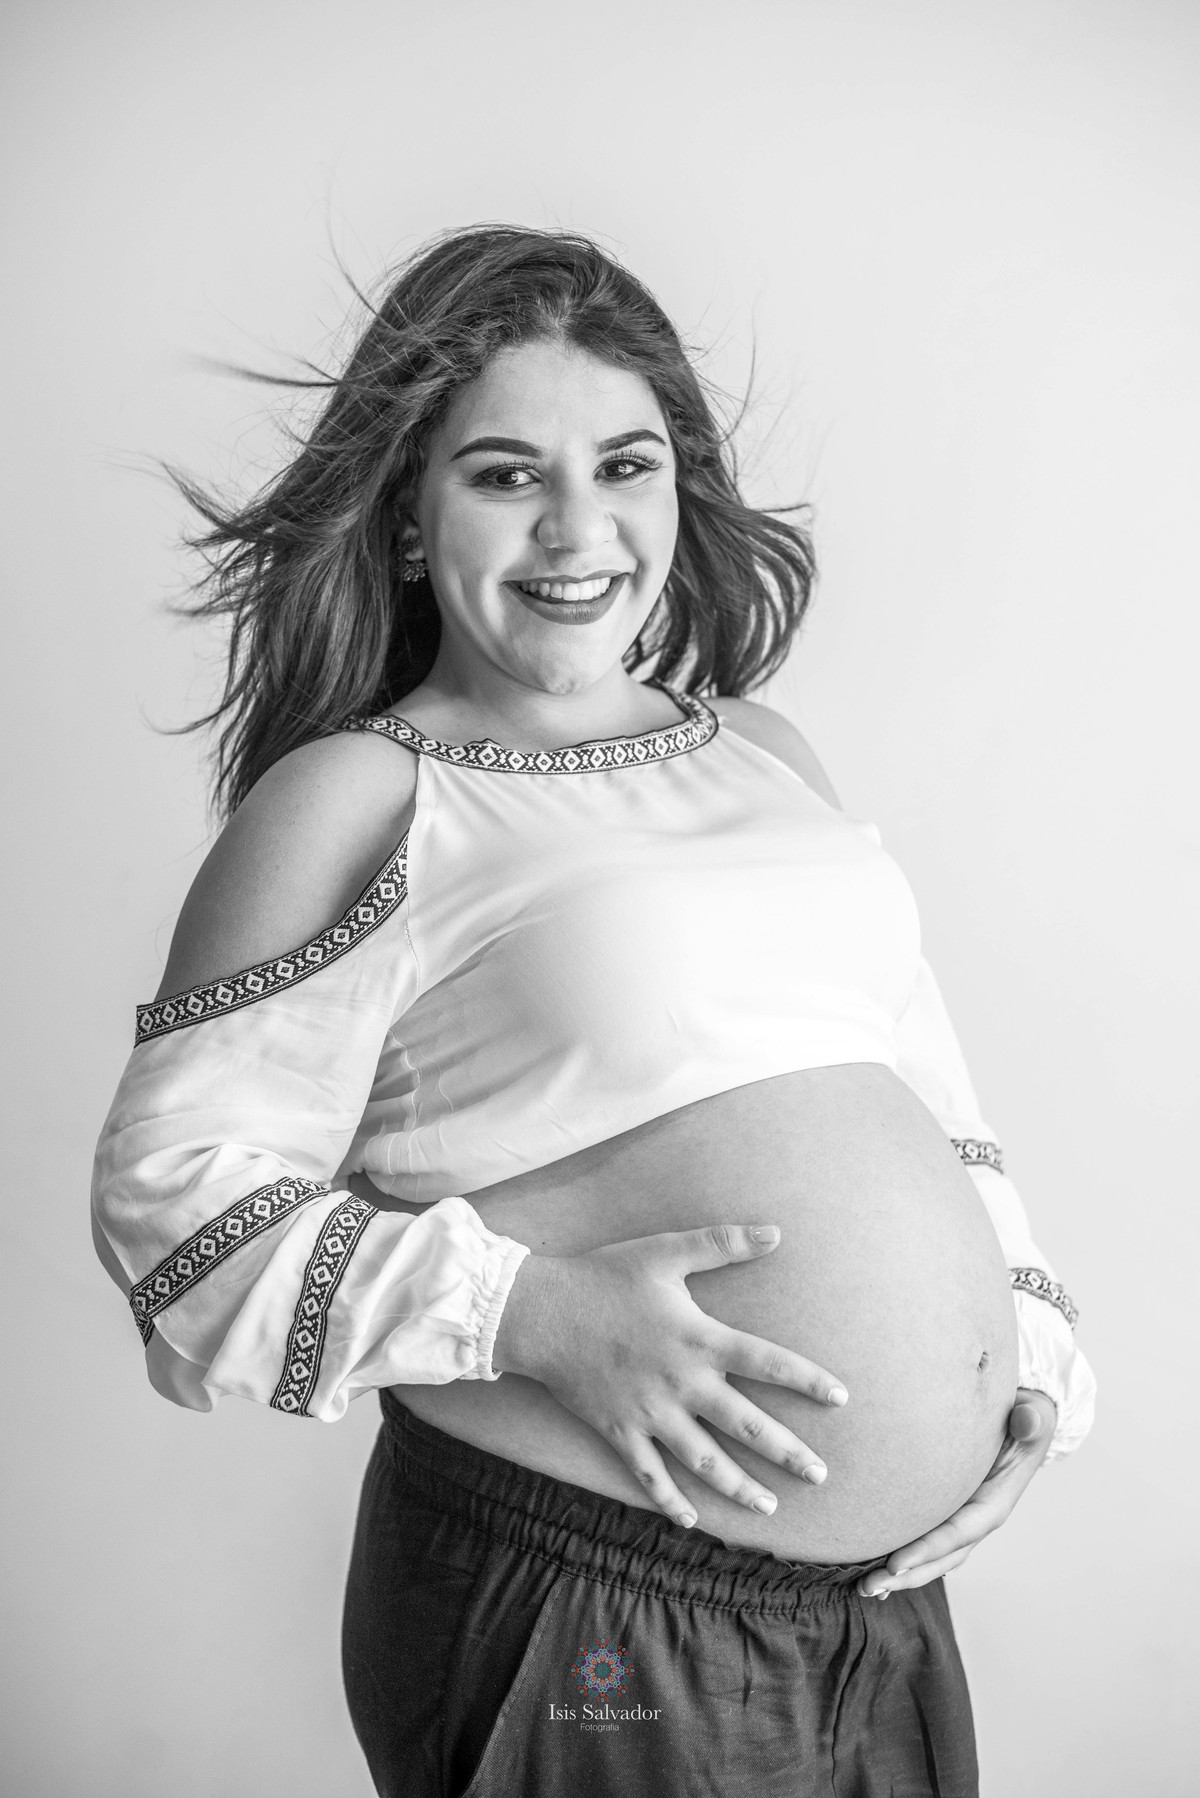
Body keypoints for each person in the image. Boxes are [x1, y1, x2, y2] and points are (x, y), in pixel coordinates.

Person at [92, 225, 1095, 1798]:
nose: (578, 528)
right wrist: (534, 1314)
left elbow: (931, 1101)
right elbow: (172, 1210)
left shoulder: (764, 751)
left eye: (625, 465)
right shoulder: (358, 797)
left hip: (888, 1610)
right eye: (506, 475)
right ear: (410, 516)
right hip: (594, 1593)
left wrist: (1018, 1359)